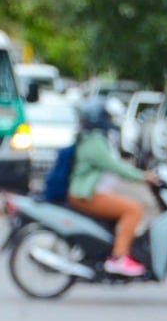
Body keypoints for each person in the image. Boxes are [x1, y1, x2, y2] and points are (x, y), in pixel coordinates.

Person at [67, 98, 156, 277]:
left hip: (96, 192)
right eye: (107, 117)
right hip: (87, 194)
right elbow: (114, 165)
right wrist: (142, 176)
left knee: (130, 205)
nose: (111, 121)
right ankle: (118, 258)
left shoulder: (95, 138)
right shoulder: (94, 141)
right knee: (134, 210)